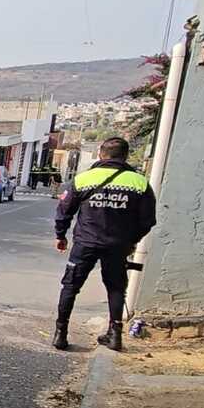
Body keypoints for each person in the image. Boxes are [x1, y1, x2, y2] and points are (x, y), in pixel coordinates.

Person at [51, 137, 156, 351]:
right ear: (125, 156)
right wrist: (131, 240)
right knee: (116, 288)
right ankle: (115, 335)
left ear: (101, 154)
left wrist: (60, 235)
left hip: (86, 242)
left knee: (70, 286)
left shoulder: (84, 179)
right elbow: (148, 220)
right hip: (118, 245)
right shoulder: (139, 183)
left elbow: (64, 211)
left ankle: (60, 334)